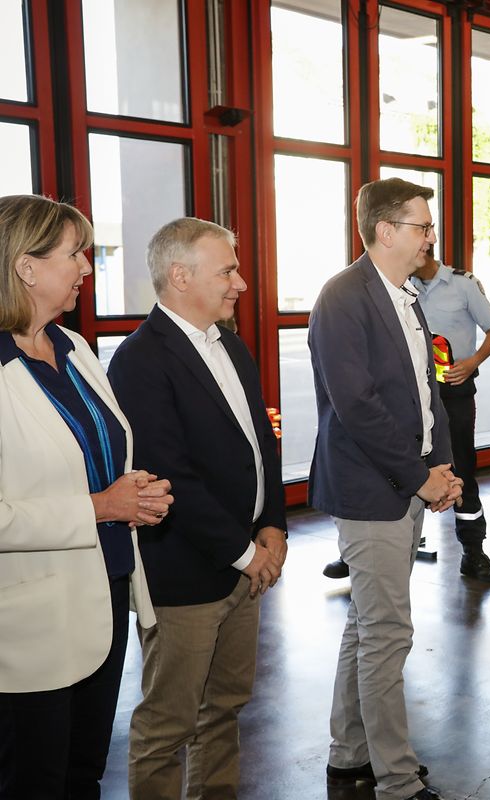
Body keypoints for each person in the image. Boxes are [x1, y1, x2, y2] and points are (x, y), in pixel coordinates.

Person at [108, 218, 286, 799]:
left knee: (225, 709)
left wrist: (273, 526)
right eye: (228, 269)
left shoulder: (229, 343)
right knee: (169, 725)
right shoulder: (140, 360)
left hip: (244, 563)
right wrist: (245, 554)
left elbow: (262, 445)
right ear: (180, 276)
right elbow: (170, 477)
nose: (239, 282)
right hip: (186, 573)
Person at [0, 195, 171, 799]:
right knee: (33, 782)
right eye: (76, 254)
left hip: (105, 593)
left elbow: (101, 454)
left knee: (83, 775)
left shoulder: (75, 348)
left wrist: (136, 492)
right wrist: (101, 506)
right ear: (25, 267)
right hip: (30, 622)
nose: (86, 268)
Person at [309, 178, 461, 800]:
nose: (431, 236)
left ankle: (349, 753)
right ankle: (395, 779)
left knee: (368, 627)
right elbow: (357, 408)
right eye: (423, 225)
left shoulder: (406, 295)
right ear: (384, 231)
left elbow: (428, 390)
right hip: (373, 489)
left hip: (407, 481)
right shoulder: (343, 298)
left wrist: (443, 467)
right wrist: (419, 476)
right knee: (388, 633)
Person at [324, 255, 490, 584]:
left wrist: (472, 362)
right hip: (408, 394)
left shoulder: (463, 285)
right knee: (388, 458)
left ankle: (473, 550)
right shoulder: (398, 287)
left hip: (452, 391)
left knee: (459, 466)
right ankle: (358, 553)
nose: (427, 242)